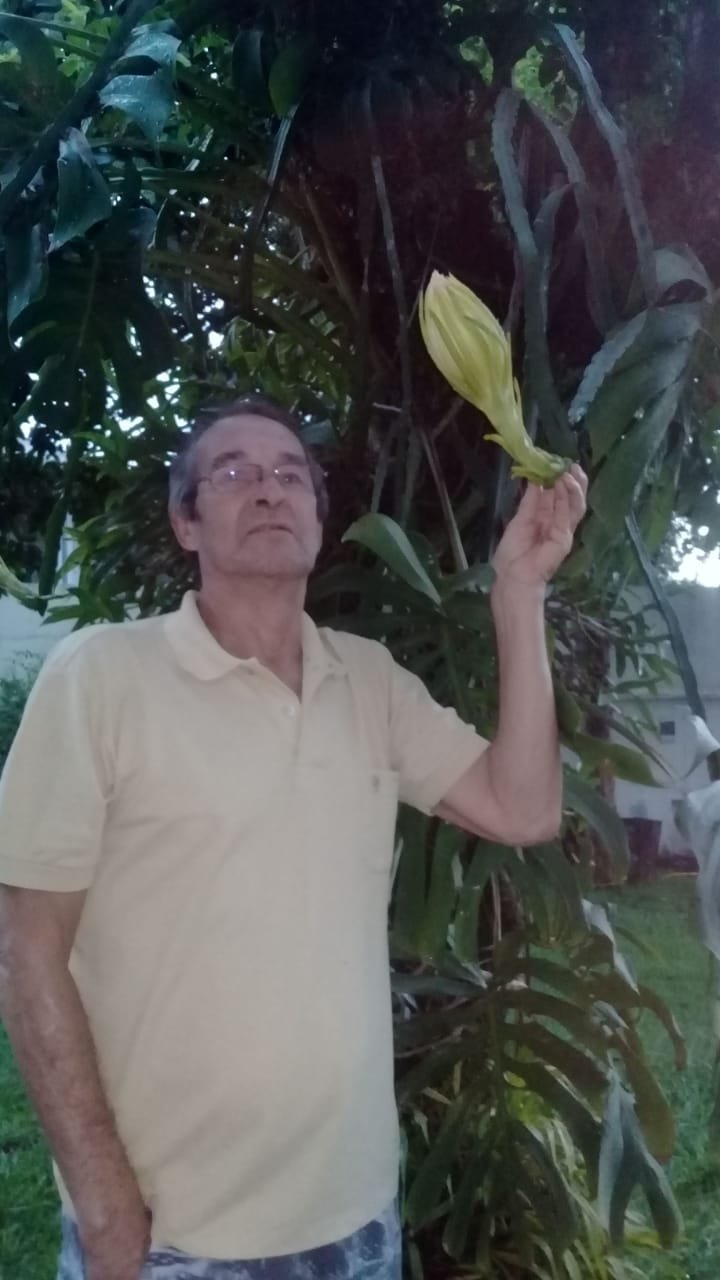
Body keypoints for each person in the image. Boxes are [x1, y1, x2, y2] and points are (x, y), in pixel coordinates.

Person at [0, 395, 587, 1280]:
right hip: (176, 1235)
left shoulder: (369, 681)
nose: (268, 489)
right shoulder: (102, 677)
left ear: (318, 516)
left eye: (290, 475)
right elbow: (26, 950)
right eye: (233, 472)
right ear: (186, 523)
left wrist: (520, 591)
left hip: (356, 1220)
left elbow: (524, 809)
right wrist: (103, 1202)